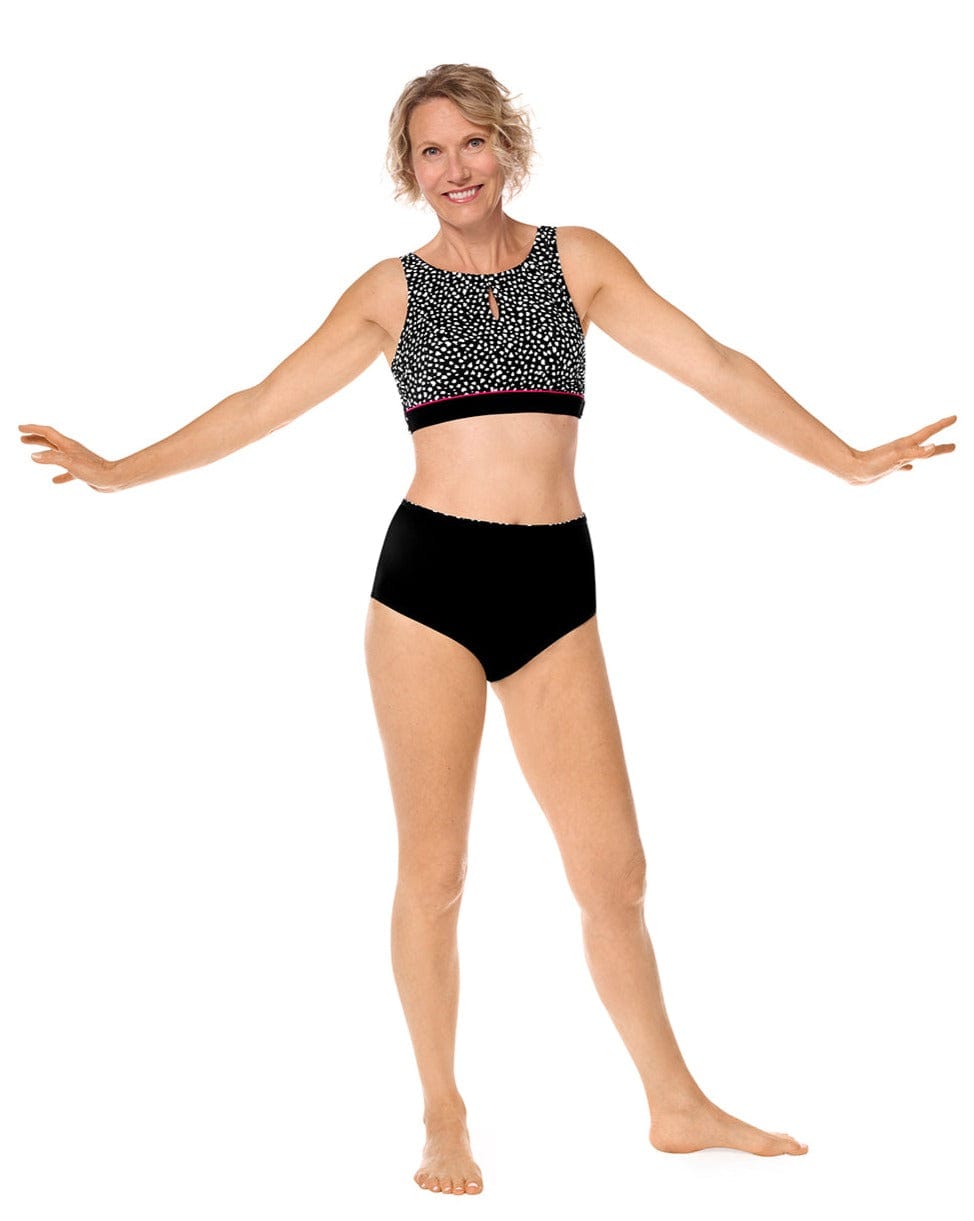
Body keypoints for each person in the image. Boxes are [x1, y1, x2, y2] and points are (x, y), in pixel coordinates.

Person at [20, 63, 956, 1196]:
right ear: (407, 169)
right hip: (429, 587)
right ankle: (442, 1113)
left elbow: (714, 364)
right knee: (437, 873)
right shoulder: (391, 291)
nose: (454, 167)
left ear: (506, 146)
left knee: (614, 874)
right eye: (430, 150)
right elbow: (262, 401)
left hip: (555, 585)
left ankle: (674, 1104)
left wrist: (845, 458)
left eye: (471, 142)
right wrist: (122, 471)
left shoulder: (580, 262)